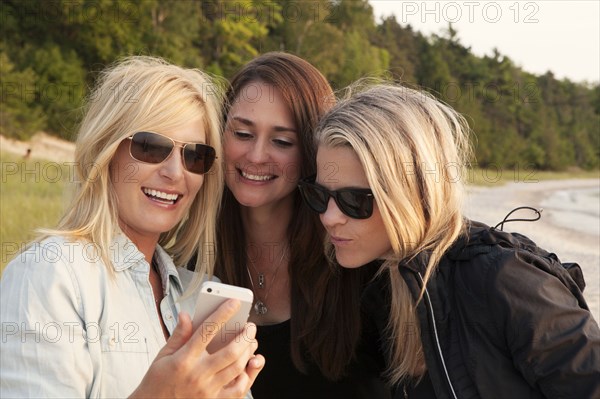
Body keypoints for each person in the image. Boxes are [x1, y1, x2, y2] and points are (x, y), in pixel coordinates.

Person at [299, 83, 600, 398]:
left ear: (413, 194)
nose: (329, 217)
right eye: (319, 195)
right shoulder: (384, 288)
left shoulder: (507, 281)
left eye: (354, 200)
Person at [0, 56, 264, 398]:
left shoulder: (202, 295)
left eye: (195, 156)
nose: (174, 172)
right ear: (106, 149)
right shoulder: (49, 274)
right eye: (151, 147)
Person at [214, 52, 389, 398]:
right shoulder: (186, 259)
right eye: (243, 133)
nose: (257, 155)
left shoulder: (358, 264)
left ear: (313, 151)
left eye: (282, 141)